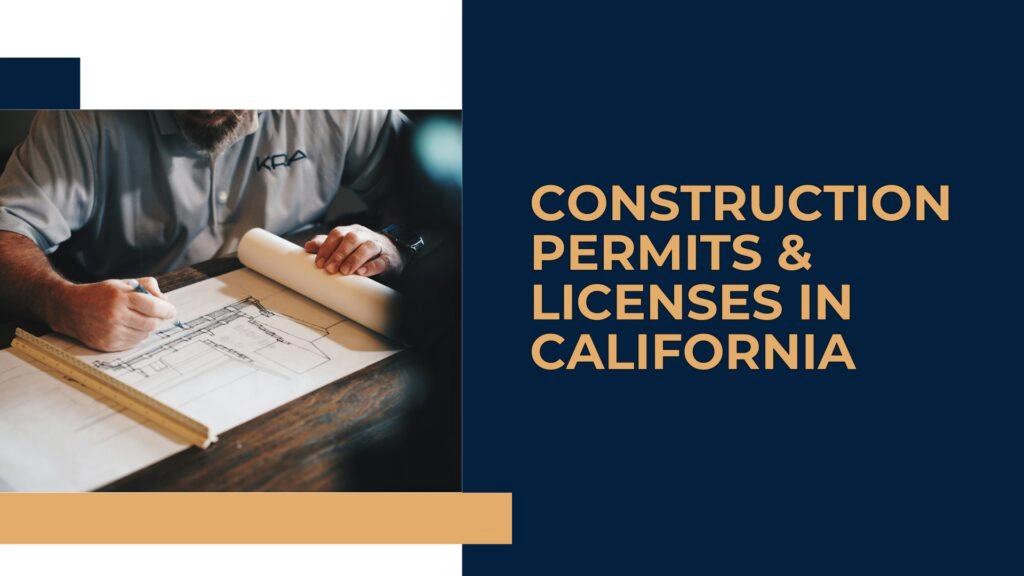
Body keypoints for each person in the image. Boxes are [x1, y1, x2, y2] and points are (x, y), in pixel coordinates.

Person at [0, 110, 415, 351]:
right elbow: (7, 232)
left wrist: (394, 242)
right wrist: (58, 301)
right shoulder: (81, 114)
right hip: (134, 328)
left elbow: (449, 195)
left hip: (311, 329)